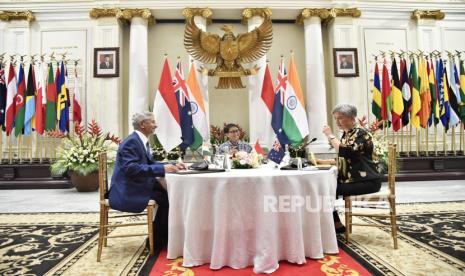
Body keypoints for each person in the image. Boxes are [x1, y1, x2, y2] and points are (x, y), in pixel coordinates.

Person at [108, 111, 185, 248]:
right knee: (168, 197)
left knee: (170, 195)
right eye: (153, 122)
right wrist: (163, 169)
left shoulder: (139, 140)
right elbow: (132, 169)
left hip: (137, 184)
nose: (156, 125)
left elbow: (149, 164)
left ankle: (159, 238)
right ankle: (157, 241)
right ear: (143, 124)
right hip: (128, 190)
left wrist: (170, 166)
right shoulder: (132, 142)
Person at [317, 104, 382, 233]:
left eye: (340, 118)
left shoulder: (361, 133)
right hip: (355, 179)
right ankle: (334, 223)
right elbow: (347, 159)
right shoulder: (347, 134)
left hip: (368, 181)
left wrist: (330, 135)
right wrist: (322, 162)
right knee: (325, 187)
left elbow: (345, 152)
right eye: (335, 118)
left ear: (352, 119)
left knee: (326, 190)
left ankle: (334, 224)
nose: (337, 122)